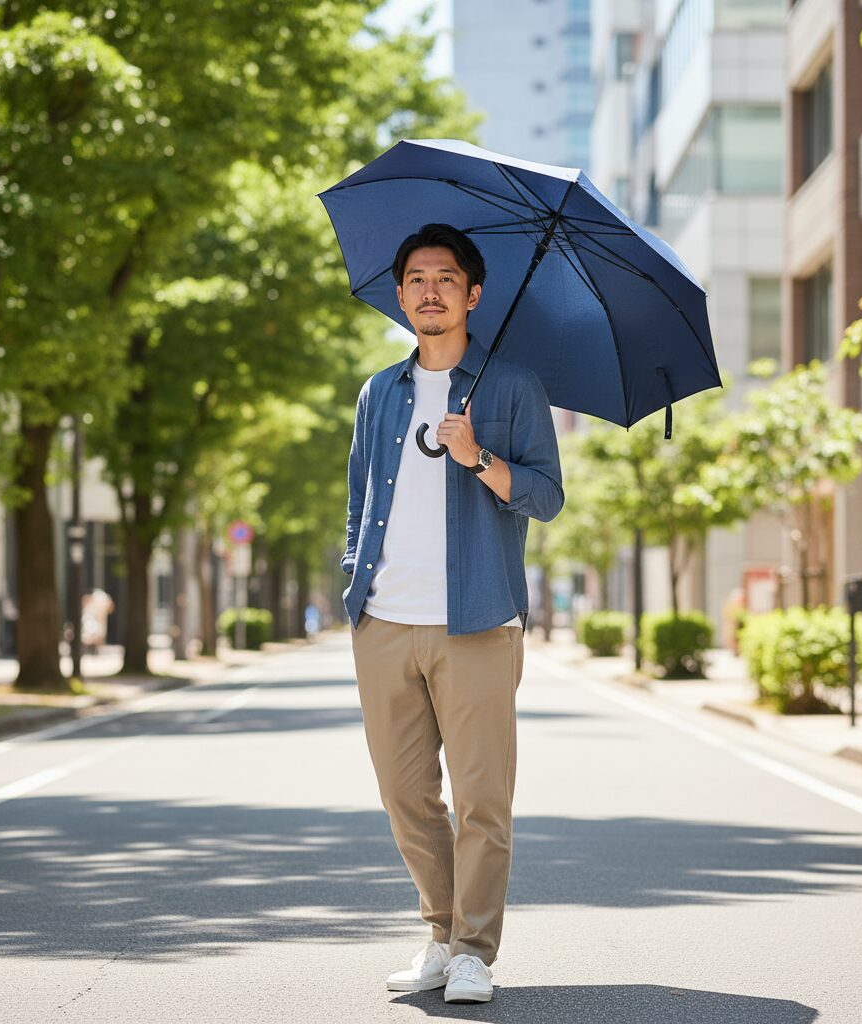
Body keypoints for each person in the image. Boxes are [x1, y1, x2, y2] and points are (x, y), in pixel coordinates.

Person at [341, 223, 564, 1004]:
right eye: (415, 278)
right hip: (386, 621)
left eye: (445, 278)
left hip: (477, 618)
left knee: (480, 799)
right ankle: (439, 930)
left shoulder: (510, 387)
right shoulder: (378, 392)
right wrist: (354, 586)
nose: (428, 290)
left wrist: (479, 457)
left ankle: (473, 950)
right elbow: (358, 500)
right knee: (404, 794)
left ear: (473, 295)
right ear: (399, 295)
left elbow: (546, 496)